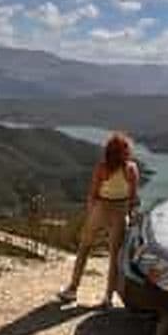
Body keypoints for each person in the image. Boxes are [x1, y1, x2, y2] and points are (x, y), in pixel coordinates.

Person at [58, 131, 139, 309]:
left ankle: (72, 289)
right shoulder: (131, 169)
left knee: (84, 247)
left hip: (101, 208)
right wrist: (131, 215)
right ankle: (108, 298)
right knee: (114, 257)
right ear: (125, 152)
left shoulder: (102, 168)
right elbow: (133, 197)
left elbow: (93, 194)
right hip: (120, 211)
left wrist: (90, 213)